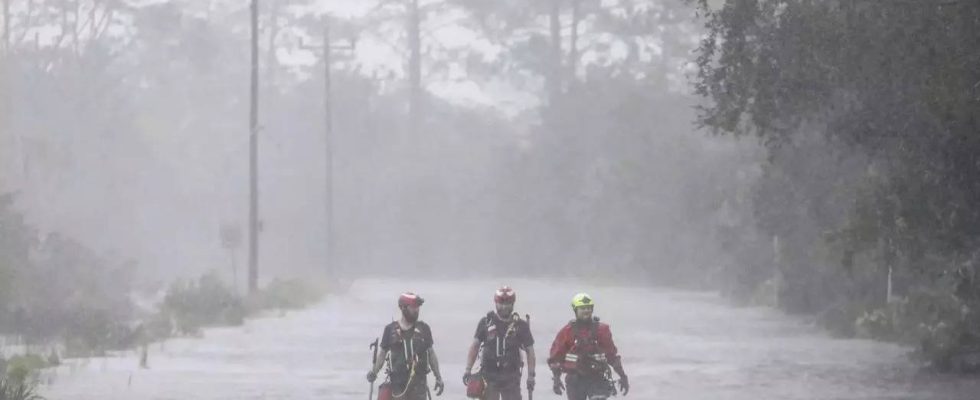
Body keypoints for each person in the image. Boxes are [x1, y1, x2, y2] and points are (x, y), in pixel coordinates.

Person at [548, 293, 629, 400]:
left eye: (589, 308)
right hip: (575, 380)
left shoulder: (602, 330)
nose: (586, 310)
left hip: (597, 378)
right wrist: (556, 379)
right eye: (582, 308)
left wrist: (623, 376)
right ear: (575, 310)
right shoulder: (567, 332)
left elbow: (612, 356)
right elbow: (555, 358)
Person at [367, 292, 445, 400]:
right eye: (413, 306)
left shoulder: (424, 329)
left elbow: (431, 354)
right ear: (403, 308)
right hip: (397, 386)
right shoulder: (390, 330)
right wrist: (374, 372)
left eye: (418, 307)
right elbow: (382, 354)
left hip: (419, 386)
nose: (416, 310)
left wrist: (438, 378)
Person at [464, 286, 536, 399]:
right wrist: (468, 369)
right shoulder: (486, 323)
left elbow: (530, 351)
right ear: (496, 303)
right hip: (489, 376)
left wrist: (531, 376)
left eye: (507, 303)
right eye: (501, 303)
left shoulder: (521, 326)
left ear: (512, 304)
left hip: (512, 378)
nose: (504, 307)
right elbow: (475, 347)